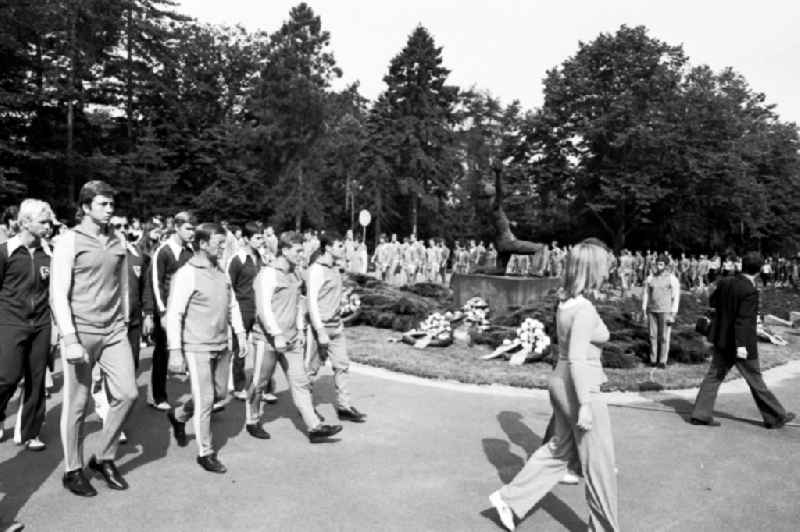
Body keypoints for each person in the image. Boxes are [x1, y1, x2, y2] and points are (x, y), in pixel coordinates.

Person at [489, 238, 619, 532]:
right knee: (600, 464)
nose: (607, 272)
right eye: (603, 267)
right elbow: (576, 358)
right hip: (579, 386)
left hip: (561, 382)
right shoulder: (584, 309)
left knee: (559, 449)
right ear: (591, 270)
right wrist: (585, 404)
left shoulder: (566, 302)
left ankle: (508, 500)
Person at [50, 180, 138, 496]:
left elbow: (123, 284)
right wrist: (69, 338)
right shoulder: (68, 241)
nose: (109, 209)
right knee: (77, 404)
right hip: (80, 331)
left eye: (112, 204)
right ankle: (72, 470)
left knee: (128, 394)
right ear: (86, 207)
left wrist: (125, 318)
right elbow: (58, 292)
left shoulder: (117, 240)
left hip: (114, 330)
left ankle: (103, 456)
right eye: (103, 204)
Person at [164, 223, 248, 473]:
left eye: (225, 243)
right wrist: (175, 351)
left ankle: (179, 416)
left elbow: (232, 305)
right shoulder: (187, 274)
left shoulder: (220, 272)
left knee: (221, 395)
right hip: (196, 346)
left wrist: (241, 334)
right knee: (206, 399)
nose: (224, 247)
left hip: (222, 344)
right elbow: (174, 314)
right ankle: (205, 452)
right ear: (202, 244)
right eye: (219, 243)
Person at [248, 231, 342, 443]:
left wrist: (299, 331)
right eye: (298, 251)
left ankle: (314, 428)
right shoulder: (268, 274)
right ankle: (252, 419)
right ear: (285, 250)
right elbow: (263, 308)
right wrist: (276, 334)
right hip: (268, 339)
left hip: (291, 340)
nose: (302, 255)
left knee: (300, 382)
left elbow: (299, 305)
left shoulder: (295, 274)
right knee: (260, 383)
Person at [690, 252, 796, 429]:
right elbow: (743, 320)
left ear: (742, 265)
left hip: (722, 337)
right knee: (755, 379)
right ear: (759, 269)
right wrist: (741, 346)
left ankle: (700, 414)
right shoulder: (750, 290)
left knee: (714, 376)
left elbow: (713, 301)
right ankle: (775, 416)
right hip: (740, 343)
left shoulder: (726, 282)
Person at [0, 199, 56, 451]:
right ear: (25, 223)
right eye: (43, 222)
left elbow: (55, 293)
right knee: (7, 377)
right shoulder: (6, 251)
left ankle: (30, 431)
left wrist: (56, 329)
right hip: (10, 321)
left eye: (50, 222)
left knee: (37, 379)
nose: (49, 226)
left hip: (42, 324)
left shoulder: (50, 254)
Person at [305, 233, 367, 424]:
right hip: (319, 329)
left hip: (335, 326)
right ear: (328, 248)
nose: (344, 249)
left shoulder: (334, 269)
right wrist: (320, 330)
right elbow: (312, 303)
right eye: (340, 245)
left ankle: (344, 406)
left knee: (342, 365)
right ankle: (307, 410)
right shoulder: (316, 270)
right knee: (311, 370)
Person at [142, 211, 195, 411]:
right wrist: (161, 312)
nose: (192, 233)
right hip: (166, 310)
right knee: (162, 352)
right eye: (188, 229)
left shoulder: (190, 252)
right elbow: (155, 283)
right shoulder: (162, 252)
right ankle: (157, 396)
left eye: (193, 229)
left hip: (184, 311)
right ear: (177, 227)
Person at [226, 222, 264, 401]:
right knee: (239, 349)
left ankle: (263, 385)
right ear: (247, 239)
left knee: (264, 346)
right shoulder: (237, 259)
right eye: (257, 238)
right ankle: (237, 385)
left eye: (262, 237)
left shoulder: (260, 257)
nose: (261, 241)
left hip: (259, 307)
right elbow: (228, 286)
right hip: (242, 309)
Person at [641, 254, 680, 368]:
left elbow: (675, 297)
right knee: (652, 336)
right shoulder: (650, 278)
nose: (658, 266)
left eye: (661, 264)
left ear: (666, 265)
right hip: (652, 311)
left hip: (665, 311)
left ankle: (662, 361)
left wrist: (673, 313)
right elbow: (646, 294)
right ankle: (653, 360)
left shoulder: (672, 279)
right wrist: (644, 309)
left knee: (664, 337)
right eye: (657, 264)